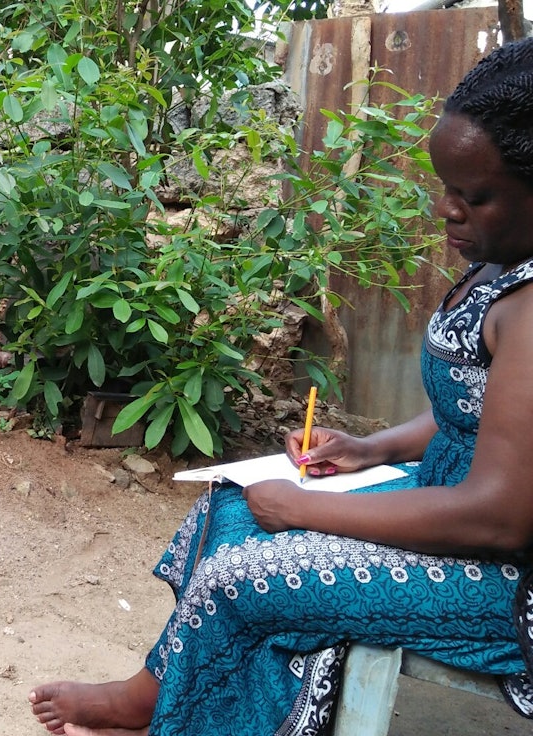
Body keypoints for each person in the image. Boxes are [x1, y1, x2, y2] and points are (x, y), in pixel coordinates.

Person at [30, 39, 533, 736]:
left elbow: (498, 518)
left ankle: (188, 714)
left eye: (474, 196)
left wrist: (306, 510)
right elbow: (472, 413)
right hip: (448, 505)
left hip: (501, 581)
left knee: (247, 576)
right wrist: (368, 448)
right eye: (445, 188)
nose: (448, 211)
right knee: (228, 511)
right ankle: (156, 692)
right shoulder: (498, 267)